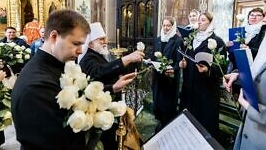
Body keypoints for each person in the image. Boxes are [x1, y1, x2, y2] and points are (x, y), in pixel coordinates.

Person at [11, 9, 136, 150]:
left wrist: (112, 88)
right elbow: (61, 140)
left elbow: (76, 99)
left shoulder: (55, 65)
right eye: (76, 43)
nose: (81, 50)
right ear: (54, 37)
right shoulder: (37, 86)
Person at [224, 0, 266, 150]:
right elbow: (264, 77)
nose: (265, 19)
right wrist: (239, 75)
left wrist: (253, 110)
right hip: (249, 136)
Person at [79, 22, 144, 150]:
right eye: (101, 39)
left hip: (108, 110)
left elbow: (107, 73)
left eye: (105, 38)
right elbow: (100, 71)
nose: (105, 42)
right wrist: (128, 58)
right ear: (91, 43)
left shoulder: (98, 56)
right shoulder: (88, 59)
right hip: (99, 114)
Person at [180, 12, 227, 138]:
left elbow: (223, 67)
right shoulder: (191, 39)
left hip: (206, 89)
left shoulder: (217, 41)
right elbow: (185, 56)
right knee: (188, 118)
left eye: (203, 20)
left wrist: (208, 70)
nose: (200, 22)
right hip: (190, 86)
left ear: (210, 22)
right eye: (199, 20)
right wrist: (183, 64)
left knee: (204, 121)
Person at [152, 17, 183, 132]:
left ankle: (167, 125)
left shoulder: (178, 40)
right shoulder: (158, 39)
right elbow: (153, 56)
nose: (166, 28)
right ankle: (161, 123)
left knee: (168, 104)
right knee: (158, 102)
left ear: (173, 26)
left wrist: (174, 69)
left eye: (168, 26)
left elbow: (179, 60)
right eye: (164, 25)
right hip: (158, 78)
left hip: (170, 78)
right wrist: (149, 62)